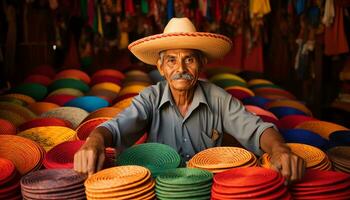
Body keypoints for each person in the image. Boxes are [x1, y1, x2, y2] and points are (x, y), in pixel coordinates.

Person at [74, 17, 305, 184]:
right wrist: (94, 141)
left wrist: (279, 149)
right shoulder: (150, 98)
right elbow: (114, 128)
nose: (180, 69)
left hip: (208, 189)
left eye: (189, 60)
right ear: (161, 68)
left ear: (201, 65)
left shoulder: (218, 98)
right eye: (172, 60)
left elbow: (258, 129)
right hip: (161, 189)